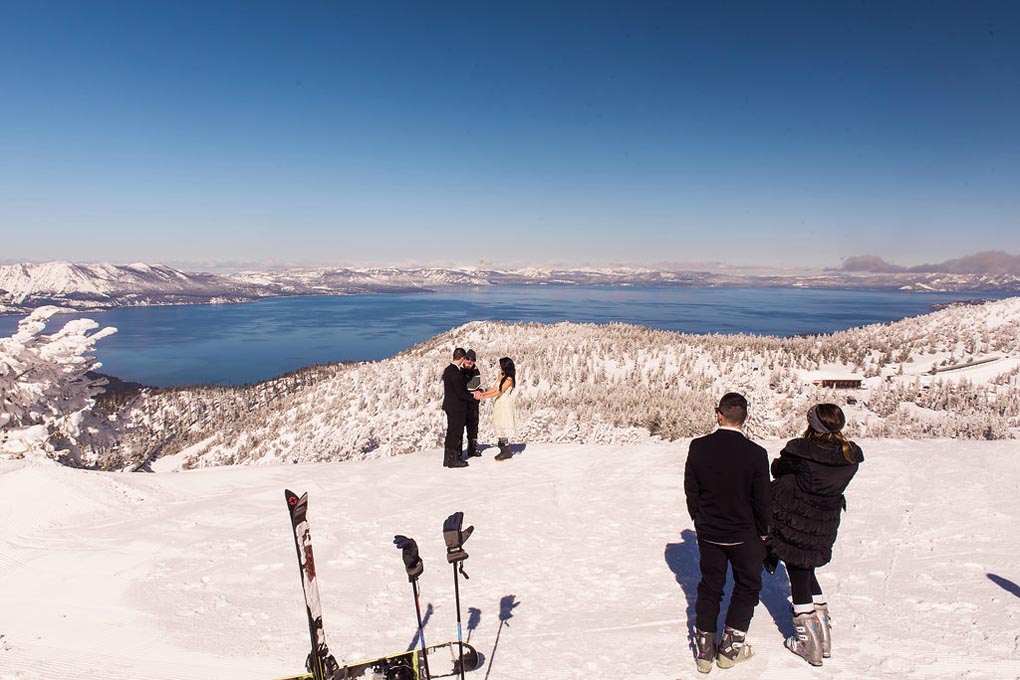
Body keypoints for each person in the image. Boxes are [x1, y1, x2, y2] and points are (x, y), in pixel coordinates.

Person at [767, 403, 863, 667]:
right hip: (826, 521)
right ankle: (823, 634)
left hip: (798, 518)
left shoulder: (801, 450)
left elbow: (780, 471)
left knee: (798, 571)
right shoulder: (848, 456)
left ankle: (808, 643)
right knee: (808, 571)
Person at [683, 392, 770, 673]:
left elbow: (691, 490)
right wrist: (764, 532)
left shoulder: (698, 447)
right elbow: (761, 499)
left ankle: (704, 653)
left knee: (710, 586)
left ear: (718, 414)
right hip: (745, 534)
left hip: (709, 532)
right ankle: (729, 651)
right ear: (745, 418)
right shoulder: (756, 454)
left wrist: (699, 518)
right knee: (746, 588)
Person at [441, 347, 479, 468]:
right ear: (462, 358)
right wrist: (474, 397)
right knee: (456, 432)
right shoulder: (456, 372)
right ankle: (453, 459)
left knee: (451, 431)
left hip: (450, 405)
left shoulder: (448, 370)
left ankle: (447, 458)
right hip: (456, 407)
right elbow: (461, 393)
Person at [476, 356, 516, 461]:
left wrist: (483, 396)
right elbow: (494, 388)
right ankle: (504, 449)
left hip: (504, 404)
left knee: (502, 426)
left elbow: (499, 392)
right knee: (498, 425)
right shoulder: (501, 376)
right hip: (498, 402)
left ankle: (505, 450)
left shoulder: (509, 379)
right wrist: (483, 394)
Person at [461, 349, 482, 457]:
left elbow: (476, 387)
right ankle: (457, 451)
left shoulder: (476, 372)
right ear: (464, 359)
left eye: (473, 360)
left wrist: (480, 392)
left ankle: (472, 448)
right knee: (459, 427)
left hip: (473, 404)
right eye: (468, 359)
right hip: (461, 403)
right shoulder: (459, 370)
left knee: (473, 426)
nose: (470, 361)